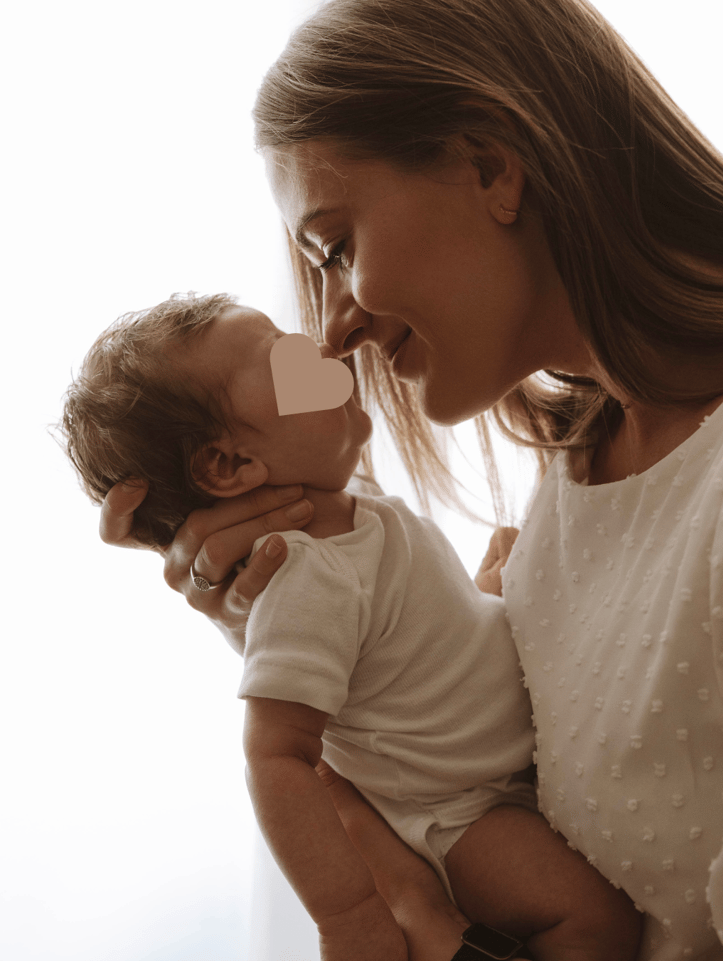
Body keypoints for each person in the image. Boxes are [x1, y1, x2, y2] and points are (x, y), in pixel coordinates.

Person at [97, 0, 723, 958]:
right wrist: (265, 604)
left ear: (490, 167)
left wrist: (431, 930)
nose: (330, 332)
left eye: (333, 249)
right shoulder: (579, 476)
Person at [60, 293, 642, 960]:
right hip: (461, 815)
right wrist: (350, 913)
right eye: (284, 357)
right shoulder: (307, 574)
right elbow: (276, 754)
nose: (324, 352)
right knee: (594, 921)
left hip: (493, 771)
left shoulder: (352, 511)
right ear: (229, 465)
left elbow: (399, 649)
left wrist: (483, 598)